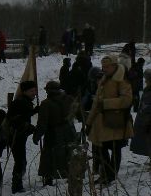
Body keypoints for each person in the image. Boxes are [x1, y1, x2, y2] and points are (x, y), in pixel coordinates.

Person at [87, 55, 134, 184]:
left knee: (114, 148)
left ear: (114, 66)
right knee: (101, 149)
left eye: (107, 66)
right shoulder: (104, 79)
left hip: (115, 121)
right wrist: (89, 122)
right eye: (103, 66)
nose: (104, 69)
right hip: (101, 122)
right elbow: (96, 103)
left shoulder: (121, 80)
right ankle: (106, 174)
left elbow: (127, 100)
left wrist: (106, 103)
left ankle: (111, 176)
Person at [33, 81, 77, 186]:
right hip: (69, 130)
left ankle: (48, 179)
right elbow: (76, 112)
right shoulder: (69, 99)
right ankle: (72, 176)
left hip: (53, 132)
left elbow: (42, 123)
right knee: (69, 153)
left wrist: (37, 136)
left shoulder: (46, 104)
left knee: (49, 155)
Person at [6, 81, 38, 193]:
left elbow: (25, 115)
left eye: (35, 90)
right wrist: (29, 127)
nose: (34, 93)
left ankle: (18, 183)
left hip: (19, 135)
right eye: (31, 91)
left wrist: (34, 111)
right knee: (20, 160)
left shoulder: (24, 101)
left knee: (21, 160)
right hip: (15, 135)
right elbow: (16, 119)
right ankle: (16, 186)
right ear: (25, 91)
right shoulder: (21, 102)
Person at [130, 69, 151, 159]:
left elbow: (146, 108)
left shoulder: (148, 92)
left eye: (147, 80)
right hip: (145, 123)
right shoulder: (147, 91)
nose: (145, 81)